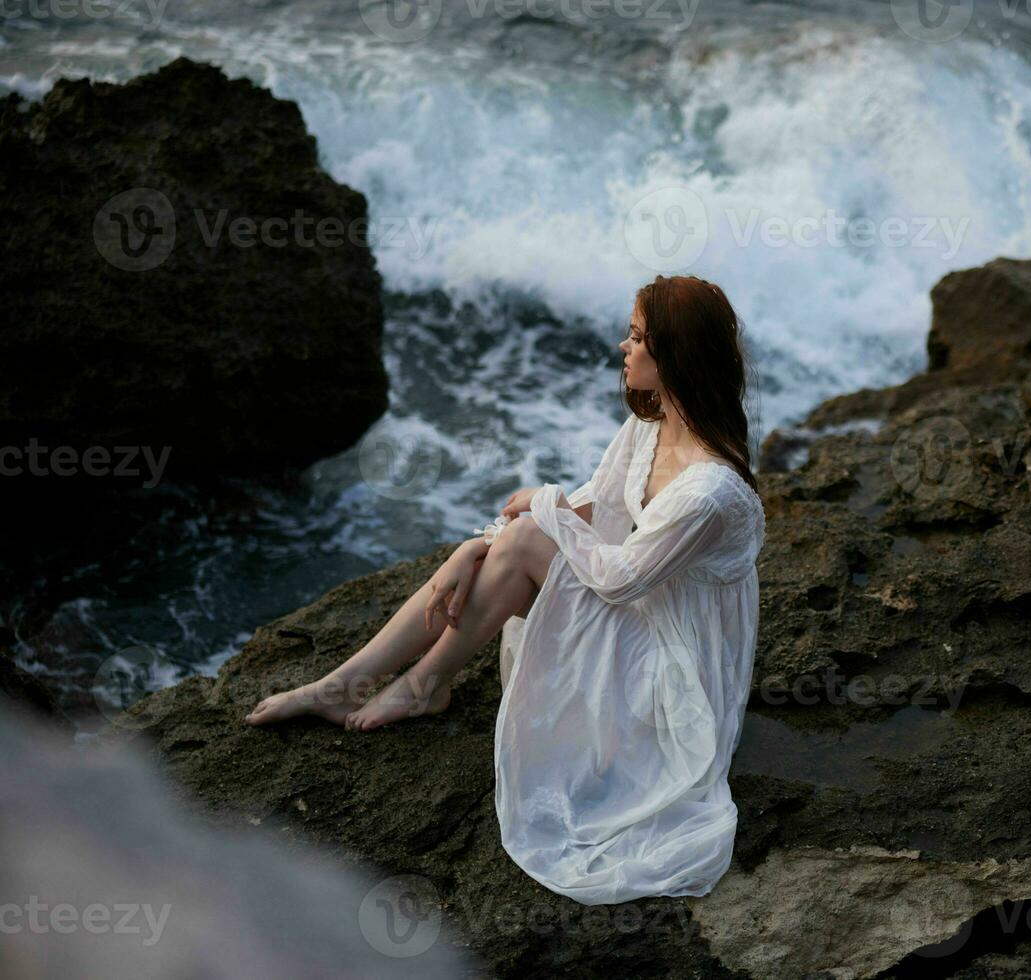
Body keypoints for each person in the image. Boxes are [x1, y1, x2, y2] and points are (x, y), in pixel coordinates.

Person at [246, 274, 765, 903]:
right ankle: (350, 685)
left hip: (672, 665)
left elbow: (618, 577)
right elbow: (589, 511)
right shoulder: (654, 427)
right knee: (509, 547)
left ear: (674, 356)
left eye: (636, 338)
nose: (622, 349)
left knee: (522, 545)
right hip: (644, 609)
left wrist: (536, 508)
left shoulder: (709, 489)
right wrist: (476, 546)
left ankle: (420, 685)